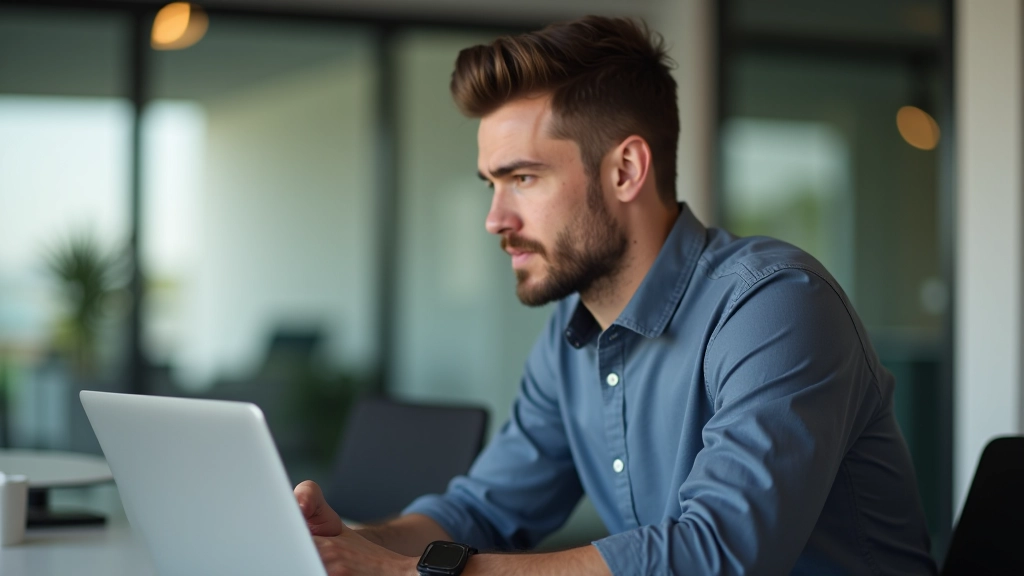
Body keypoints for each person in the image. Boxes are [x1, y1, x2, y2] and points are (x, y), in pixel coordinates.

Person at [293, 15, 937, 576]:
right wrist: (348, 543)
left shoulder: (774, 304)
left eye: (523, 177)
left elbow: (719, 555)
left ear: (625, 170)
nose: (495, 218)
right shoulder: (573, 335)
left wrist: (415, 575)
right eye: (492, 183)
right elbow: (481, 511)